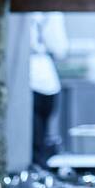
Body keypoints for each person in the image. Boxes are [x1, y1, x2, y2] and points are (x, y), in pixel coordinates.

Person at [29, 12, 69, 168]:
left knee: (35, 142)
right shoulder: (51, 13)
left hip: (37, 81)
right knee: (40, 139)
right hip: (46, 80)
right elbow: (60, 47)